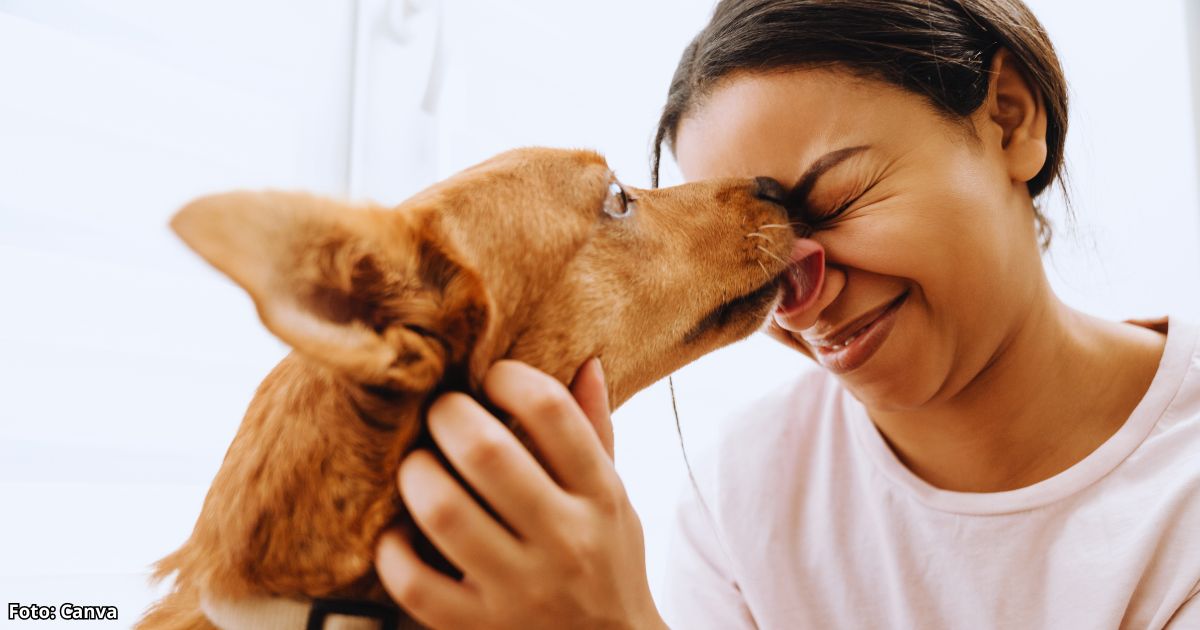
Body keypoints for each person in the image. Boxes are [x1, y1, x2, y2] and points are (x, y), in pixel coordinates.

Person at [372, 1, 1200, 627]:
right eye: (761, 265)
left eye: (835, 199)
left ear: (1010, 119)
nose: (800, 301)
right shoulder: (743, 494)